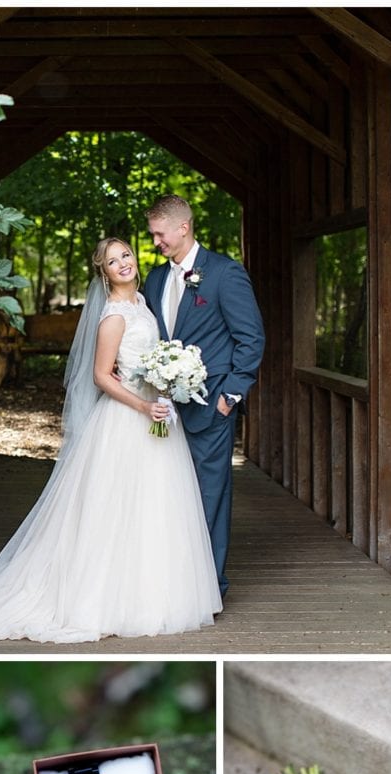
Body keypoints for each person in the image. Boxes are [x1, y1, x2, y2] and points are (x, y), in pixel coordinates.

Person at [0, 238, 222, 643]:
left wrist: (168, 381)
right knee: (114, 509)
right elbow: (101, 376)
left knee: (154, 505)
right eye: (112, 261)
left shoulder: (142, 301)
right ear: (102, 272)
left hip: (156, 416)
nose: (123, 263)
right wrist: (143, 407)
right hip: (127, 420)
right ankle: (102, 599)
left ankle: (151, 594)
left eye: (126, 255)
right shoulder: (114, 315)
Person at [144, 195, 266, 597]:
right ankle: (170, 581)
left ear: (183, 227)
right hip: (161, 409)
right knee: (164, 494)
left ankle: (209, 588)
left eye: (159, 234)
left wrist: (229, 396)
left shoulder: (225, 273)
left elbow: (251, 339)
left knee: (209, 495)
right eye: (152, 236)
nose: (156, 242)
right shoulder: (157, 279)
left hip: (210, 405)